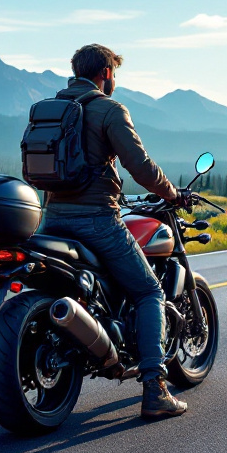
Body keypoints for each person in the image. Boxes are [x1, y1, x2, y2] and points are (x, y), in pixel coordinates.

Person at [38, 44, 190, 419]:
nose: (115, 81)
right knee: (149, 291)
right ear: (105, 73)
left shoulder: (50, 109)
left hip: (50, 219)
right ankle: (155, 390)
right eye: (114, 74)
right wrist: (172, 193)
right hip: (97, 220)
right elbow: (139, 166)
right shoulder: (109, 109)